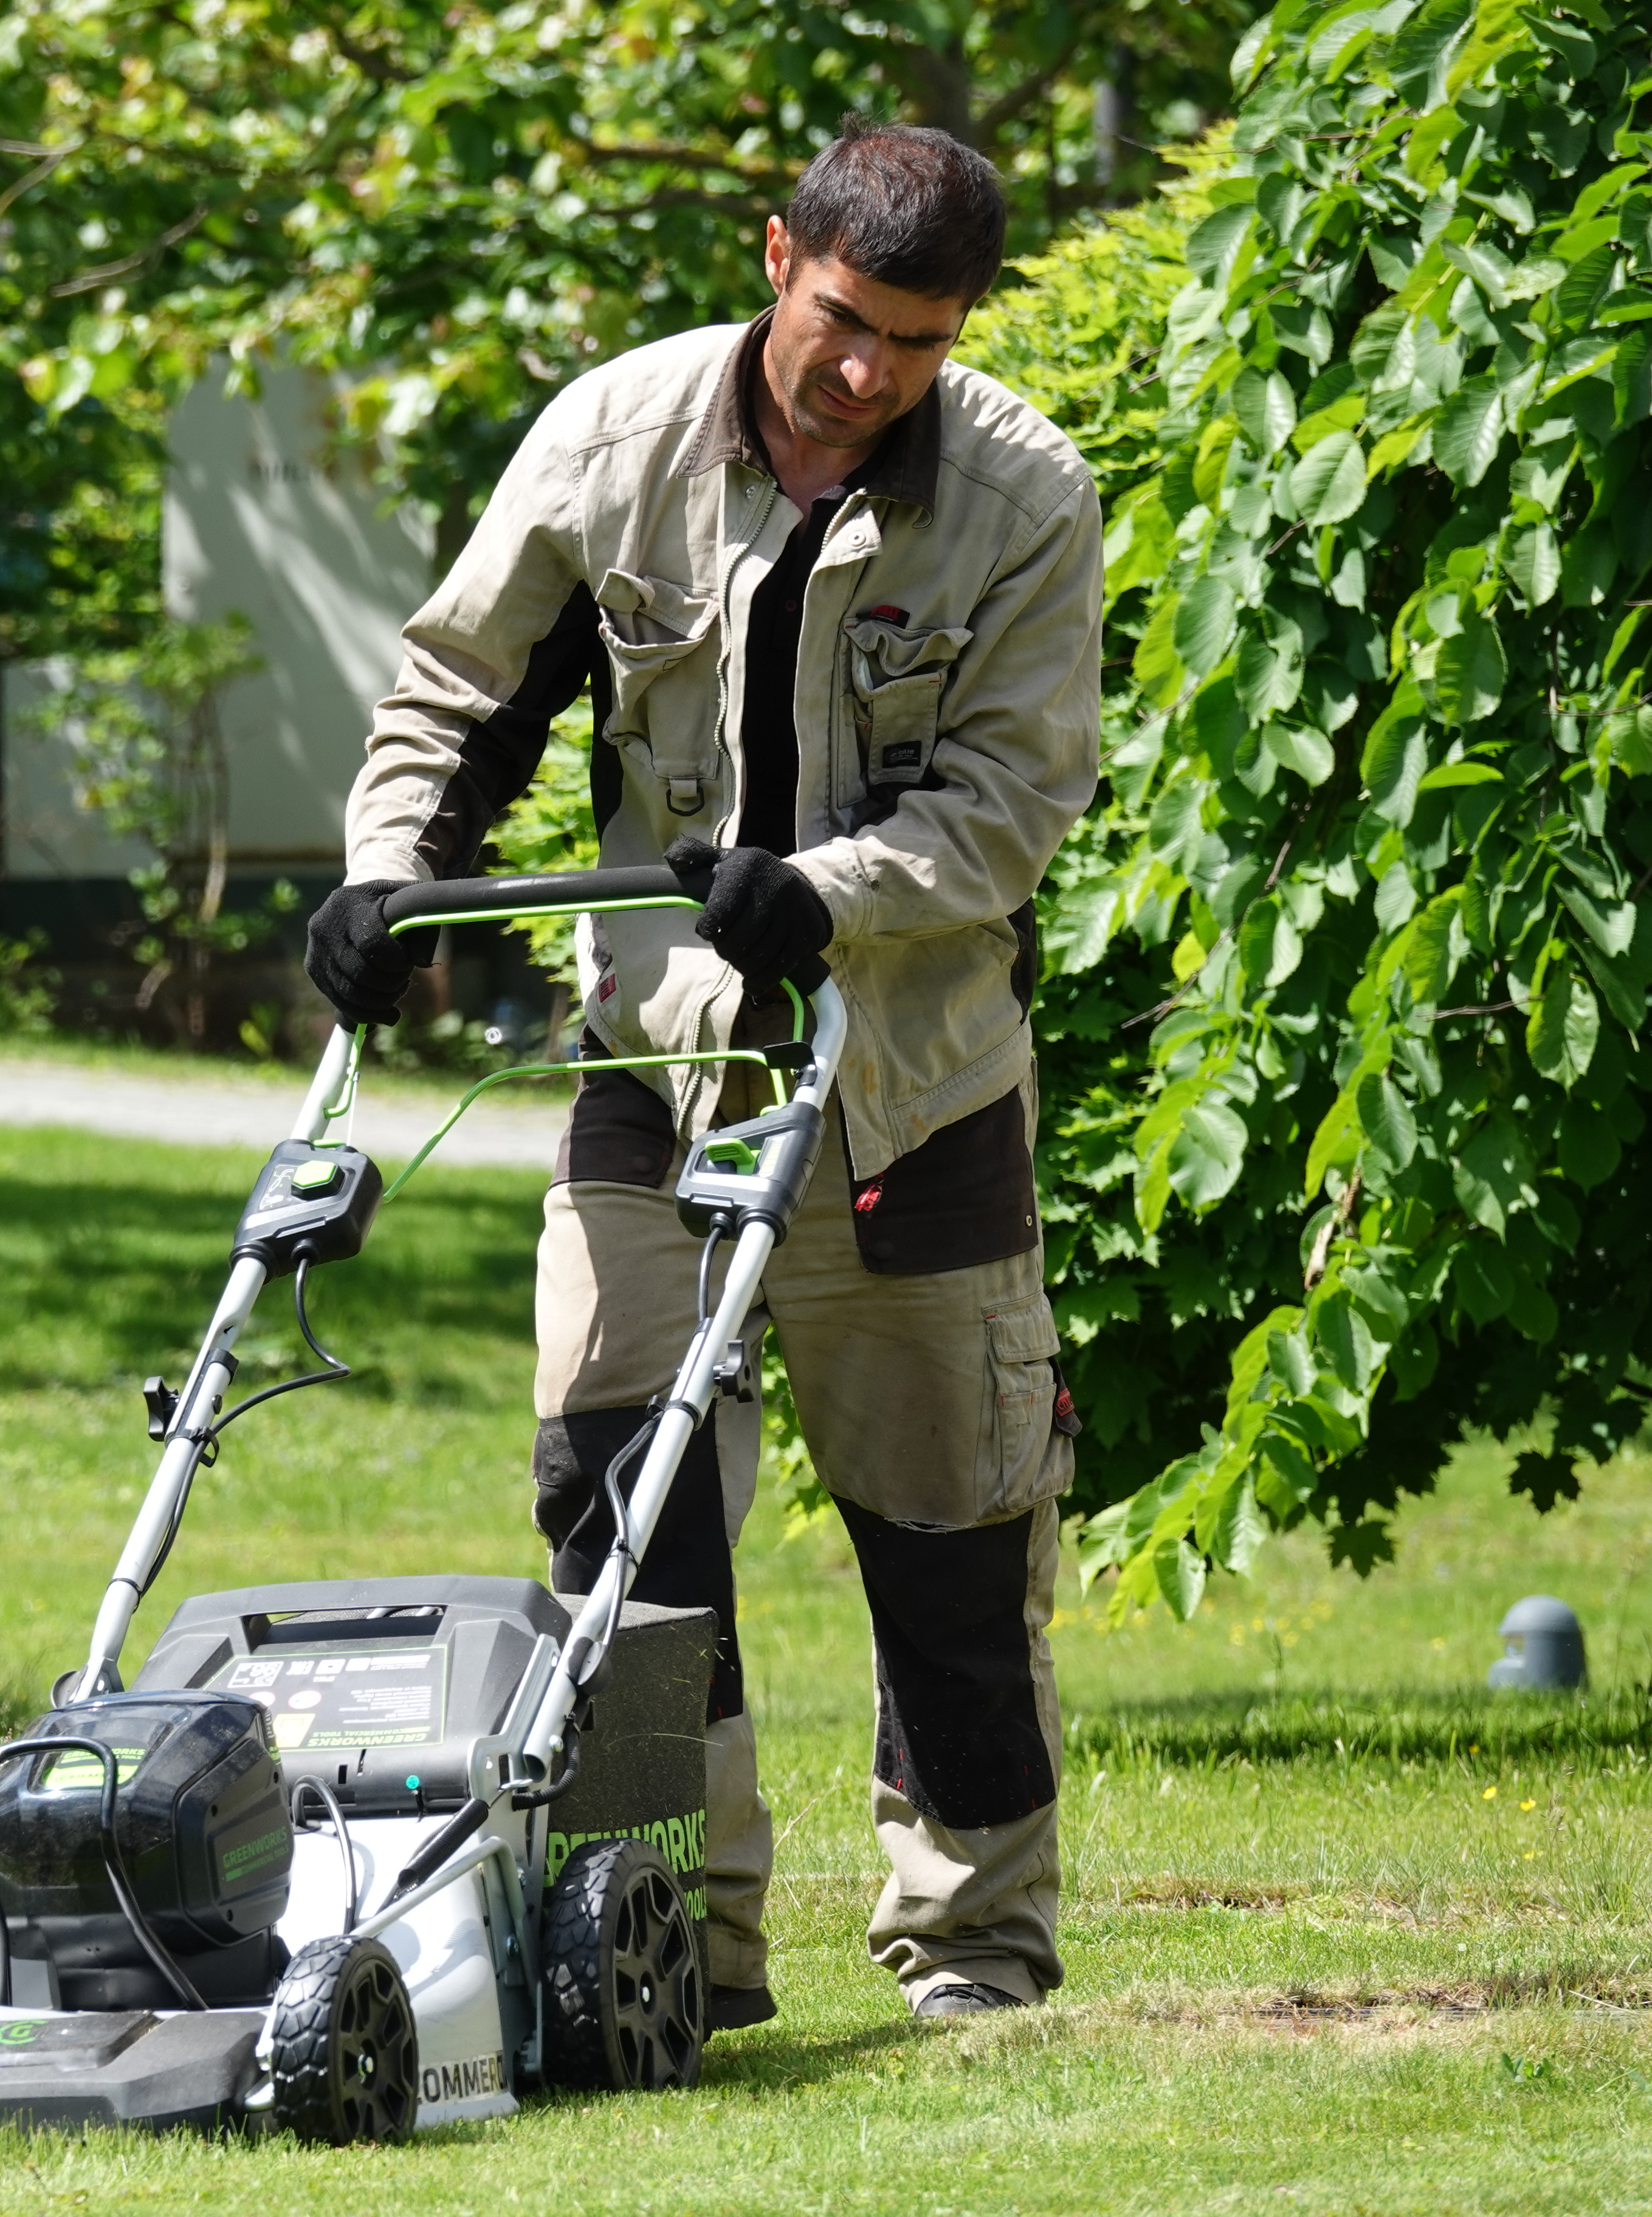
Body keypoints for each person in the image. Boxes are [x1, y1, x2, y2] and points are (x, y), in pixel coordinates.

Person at [305, 121, 1100, 2026]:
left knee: (952, 1534)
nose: (870, 375)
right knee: (616, 1503)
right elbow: (460, 694)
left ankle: (975, 1950)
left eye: (917, 342)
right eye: (845, 322)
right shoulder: (614, 443)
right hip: (653, 1072)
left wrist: (820, 894)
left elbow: (1012, 802)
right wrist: (382, 879)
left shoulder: (1022, 496)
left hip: (911, 1082)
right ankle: (668, 1949)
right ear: (778, 257)